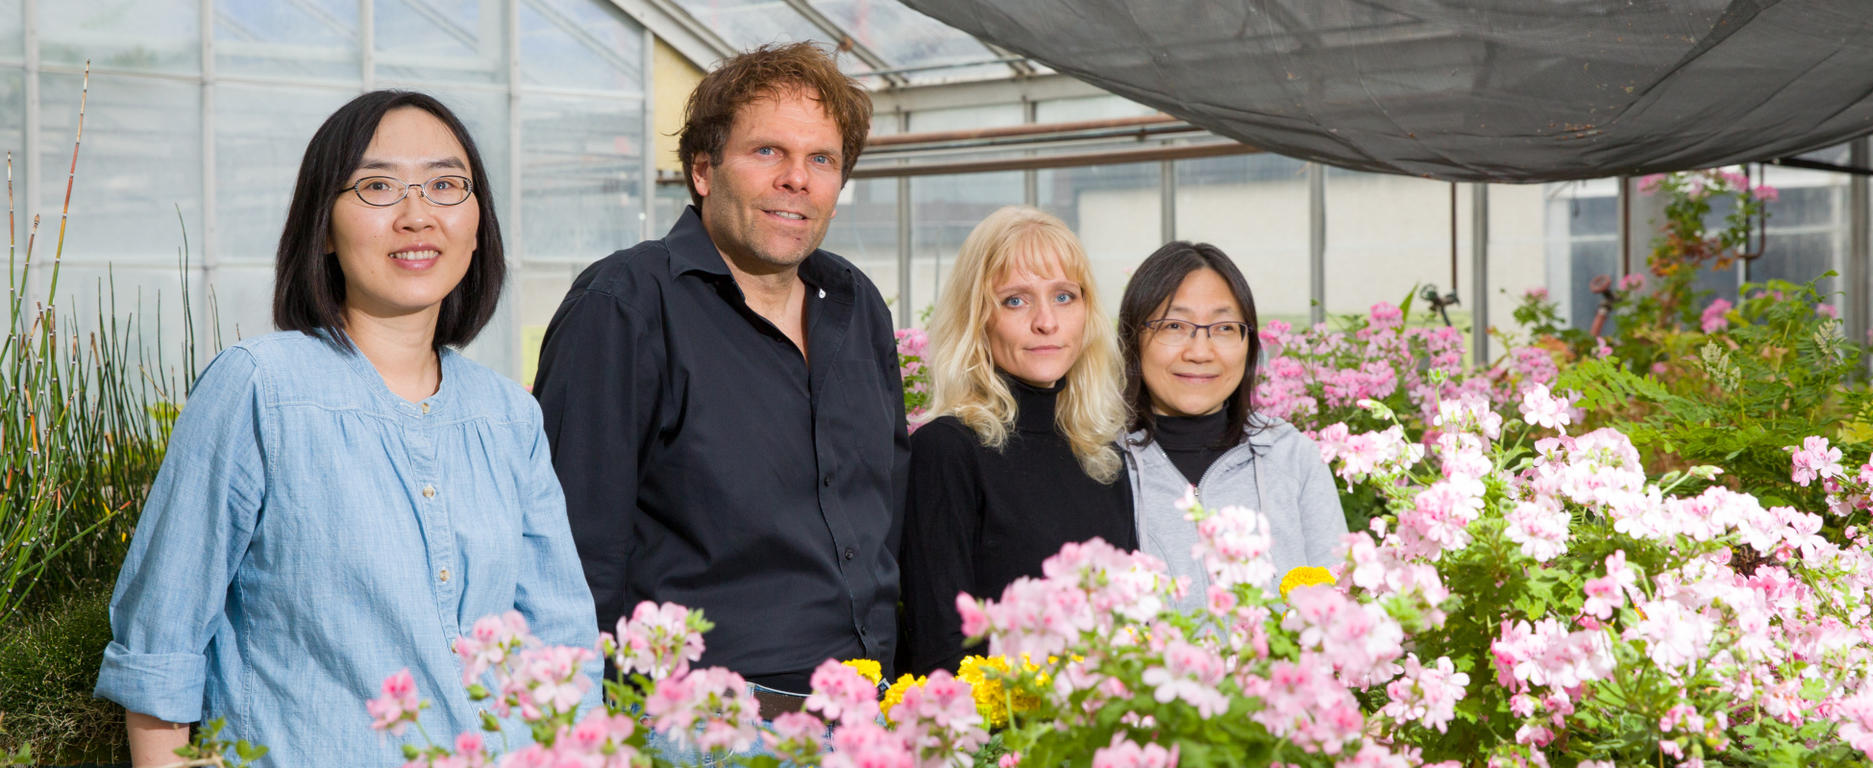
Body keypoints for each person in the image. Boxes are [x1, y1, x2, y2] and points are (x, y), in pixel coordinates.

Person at [94, 91, 599, 766]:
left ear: (477, 225)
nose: (418, 214)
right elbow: (162, 641)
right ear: (324, 227)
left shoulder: (508, 416)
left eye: (446, 185)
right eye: (378, 186)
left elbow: (560, 647)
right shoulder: (259, 387)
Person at [532, 42, 907, 717]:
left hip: (865, 713)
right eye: (768, 152)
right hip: (709, 724)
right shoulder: (625, 305)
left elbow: (887, 512)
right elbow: (574, 551)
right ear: (703, 170)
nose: (797, 179)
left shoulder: (856, 306)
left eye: (821, 159)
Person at [897, 205, 1135, 675]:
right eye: (1016, 300)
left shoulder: (1099, 456)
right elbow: (940, 650)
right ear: (976, 318)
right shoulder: (947, 450)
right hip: (1000, 737)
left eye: (1065, 296)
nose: (1046, 322)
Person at [1116, 241, 1345, 611]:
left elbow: (1342, 606)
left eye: (1224, 328)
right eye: (1174, 325)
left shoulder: (1292, 458)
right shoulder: (1101, 465)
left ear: (1248, 343)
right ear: (1132, 337)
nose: (1200, 352)